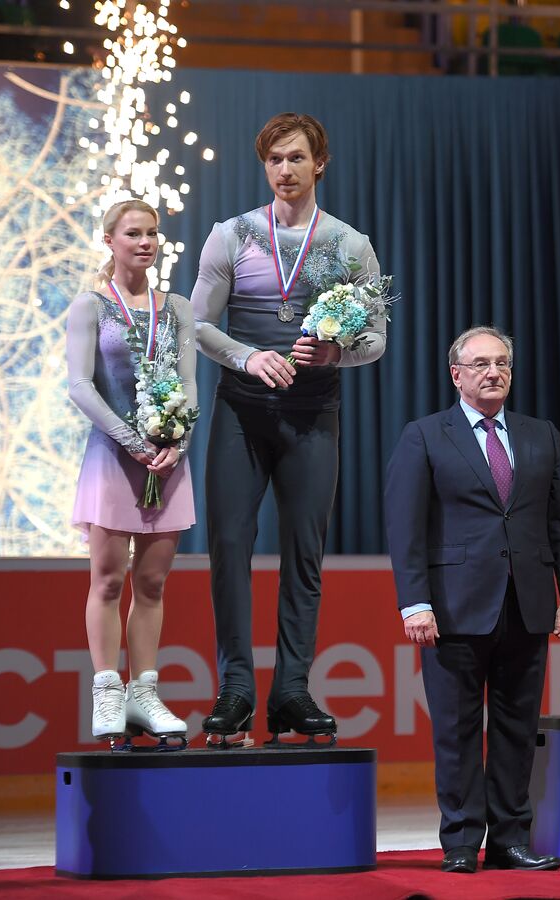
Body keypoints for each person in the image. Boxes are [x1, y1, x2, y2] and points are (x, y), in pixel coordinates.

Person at [191, 112, 387, 747]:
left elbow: (377, 339)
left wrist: (341, 352)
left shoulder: (352, 245)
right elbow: (197, 325)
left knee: (305, 552)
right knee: (229, 548)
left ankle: (293, 689)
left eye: (296, 158)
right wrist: (248, 356)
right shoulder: (231, 235)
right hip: (240, 413)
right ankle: (237, 688)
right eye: (274, 160)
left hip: (313, 412)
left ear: (319, 163)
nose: (284, 170)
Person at [385, 327, 560, 874]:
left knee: (517, 731)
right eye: (479, 364)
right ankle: (459, 844)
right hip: (451, 608)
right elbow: (405, 529)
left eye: (501, 363)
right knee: (455, 732)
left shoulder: (540, 434)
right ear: (456, 374)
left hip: (526, 604)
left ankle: (509, 841)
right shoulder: (425, 436)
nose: (492, 372)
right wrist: (414, 603)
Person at [69, 199, 196, 748]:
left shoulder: (179, 308)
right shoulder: (90, 305)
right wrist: (130, 441)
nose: (145, 243)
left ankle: (144, 693)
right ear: (111, 241)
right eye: (133, 234)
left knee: (151, 582)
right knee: (108, 579)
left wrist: (179, 438)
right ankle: (107, 689)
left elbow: (189, 383)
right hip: (113, 457)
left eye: (153, 234)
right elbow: (79, 385)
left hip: (167, 461)